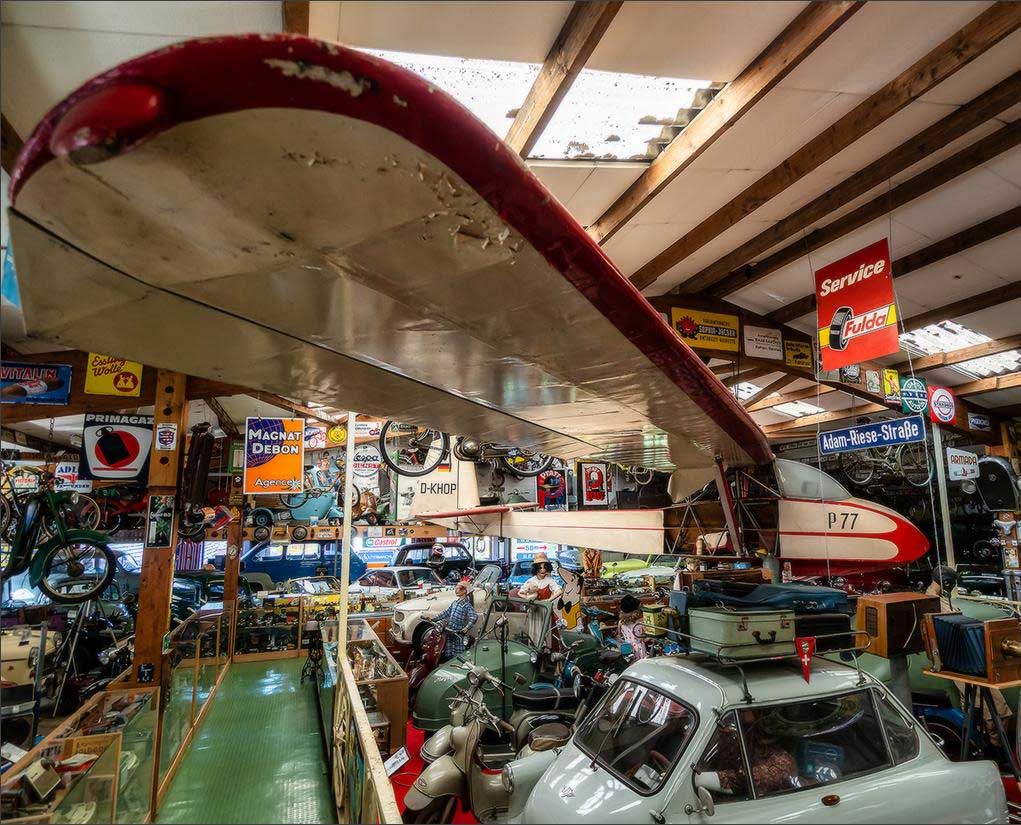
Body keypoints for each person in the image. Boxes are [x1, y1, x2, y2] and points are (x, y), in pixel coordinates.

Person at [431, 581, 478, 660]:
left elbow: (474, 617)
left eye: (458, 588)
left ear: (464, 591)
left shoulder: (467, 605)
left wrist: (466, 628)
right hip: (450, 631)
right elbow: (446, 613)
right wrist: (433, 618)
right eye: (456, 588)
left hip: (458, 634)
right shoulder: (455, 603)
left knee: (458, 655)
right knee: (448, 653)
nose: (456, 590)